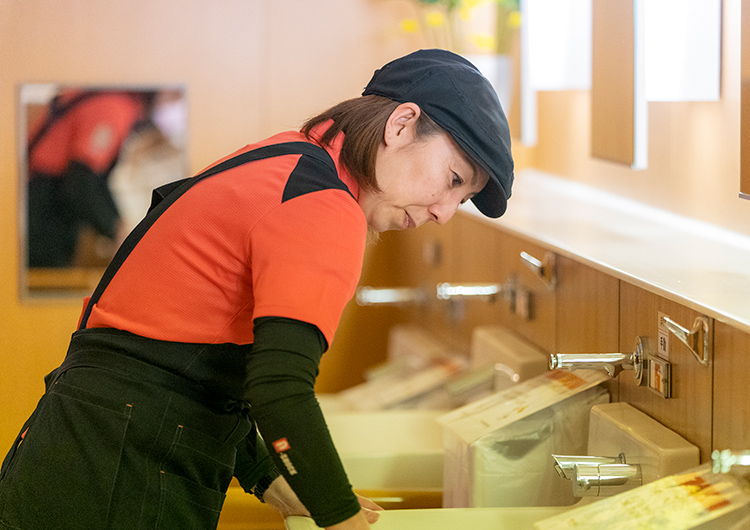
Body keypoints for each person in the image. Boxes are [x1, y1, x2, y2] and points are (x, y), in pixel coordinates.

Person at [0, 49, 513, 530]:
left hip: (80, 447)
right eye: (452, 180)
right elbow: (279, 390)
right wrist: (339, 514)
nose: (445, 214)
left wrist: (267, 476)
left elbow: (183, 361)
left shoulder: (285, 159)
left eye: (460, 200)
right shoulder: (323, 206)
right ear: (401, 125)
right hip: (121, 472)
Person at [26, 89, 154, 268]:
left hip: (46, 200)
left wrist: (119, 227)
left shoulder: (106, 98)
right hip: (42, 207)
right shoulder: (113, 105)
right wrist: (116, 231)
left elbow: (92, 181)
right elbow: (81, 183)